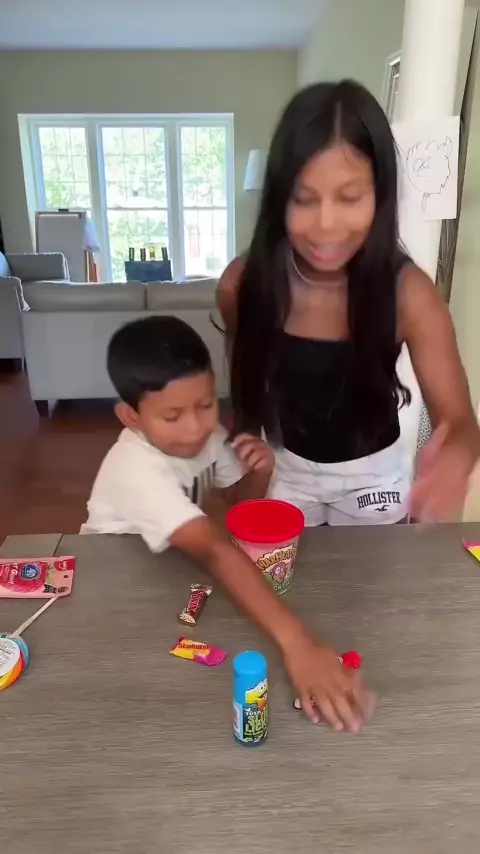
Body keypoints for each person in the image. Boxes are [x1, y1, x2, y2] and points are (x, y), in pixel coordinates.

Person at [81, 315, 368, 733]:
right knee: (140, 699)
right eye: (173, 416)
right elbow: (216, 549)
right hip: (113, 581)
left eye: (205, 404)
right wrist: (298, 644)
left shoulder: (208, 436)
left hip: (168, 572)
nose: (196, 427)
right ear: (131, 417)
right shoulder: (135, 470)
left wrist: (260, 472)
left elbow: (239, 509)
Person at [217, 80, 480, 525]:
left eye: (350, 198)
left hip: (373, 478)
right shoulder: (242, 284)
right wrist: (242, 462)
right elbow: (245, 385)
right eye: (303, 199)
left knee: (370, 572)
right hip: (286, 468)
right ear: (279, 199)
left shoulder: (410, 294)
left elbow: (459, 422)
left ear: (380, 194)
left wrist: (455, 454)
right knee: (276, 570)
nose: (326, 225)